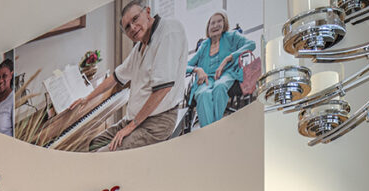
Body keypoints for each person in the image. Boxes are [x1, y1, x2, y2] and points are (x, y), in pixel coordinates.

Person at [74, 1, 188, 152]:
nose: (133, 28)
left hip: (157, 122)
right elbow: (115, 77)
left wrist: (131, 126)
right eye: (127, 27)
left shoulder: (168, 31)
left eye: (135, 19)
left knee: (105, 154)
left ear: (147, 12)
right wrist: (87, 99)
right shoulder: (140, 46)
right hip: (136, 119)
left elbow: (163, 89)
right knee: (94, 143)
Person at [186, 12, 255, 127]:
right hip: (207, 79)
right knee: (203, 94)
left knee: (220, 86)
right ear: (208, 28)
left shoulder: (232, 36)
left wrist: (230, 57)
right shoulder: (204, 45)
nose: (215, 25)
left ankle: (215, 128)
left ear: (225, 24)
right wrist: (197, 69)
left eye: (219, 21)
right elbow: (186, 65)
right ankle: (209, 131)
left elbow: (251, 44)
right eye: (212, 23)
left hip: (227, 73)